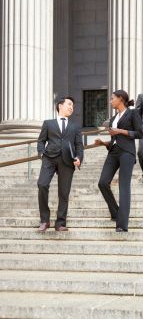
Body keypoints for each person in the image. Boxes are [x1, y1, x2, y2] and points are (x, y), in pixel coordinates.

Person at [95, 90, 142, 232]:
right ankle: (115, 212)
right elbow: (114, 140)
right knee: (103, 182)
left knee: (123, 186)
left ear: (120, 99)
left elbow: (140, 133)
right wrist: (104, 143)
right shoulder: (114, 117)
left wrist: (120, 131)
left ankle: (122, 224)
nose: (110, 101)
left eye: (112, 99)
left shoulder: (132, 113)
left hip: (127, 152)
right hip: (113, 152)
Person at [36, 96, 83, 232]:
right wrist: (41, 153)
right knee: (42, 184)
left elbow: (79, 145)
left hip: (67, 161)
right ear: (60, 106)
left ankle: (60, 223)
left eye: (73, 106)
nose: (71, 107)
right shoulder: (48, 123)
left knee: (64, 192)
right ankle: (45, 220)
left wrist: (79, 157)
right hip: (49, 158)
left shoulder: (75, 126)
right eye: (69, 104)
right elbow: (41, 140)